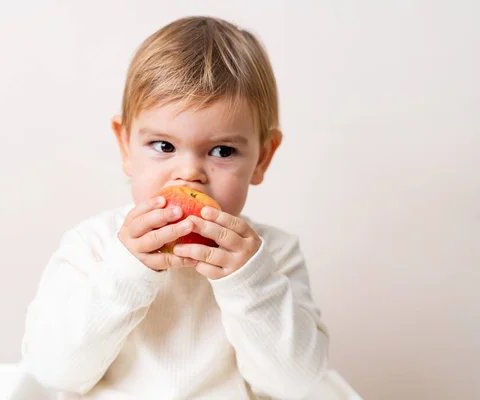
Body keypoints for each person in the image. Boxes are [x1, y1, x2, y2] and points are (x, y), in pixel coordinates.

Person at [20, 15, 329, 399]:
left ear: (263, 158)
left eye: (222, 151)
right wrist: (127, 272)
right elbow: (52, 372)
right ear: (125, 145)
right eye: (164, 146)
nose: (188, 174)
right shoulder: (93, 245)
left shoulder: (273, 256)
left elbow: (300, 385)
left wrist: (249, 282)